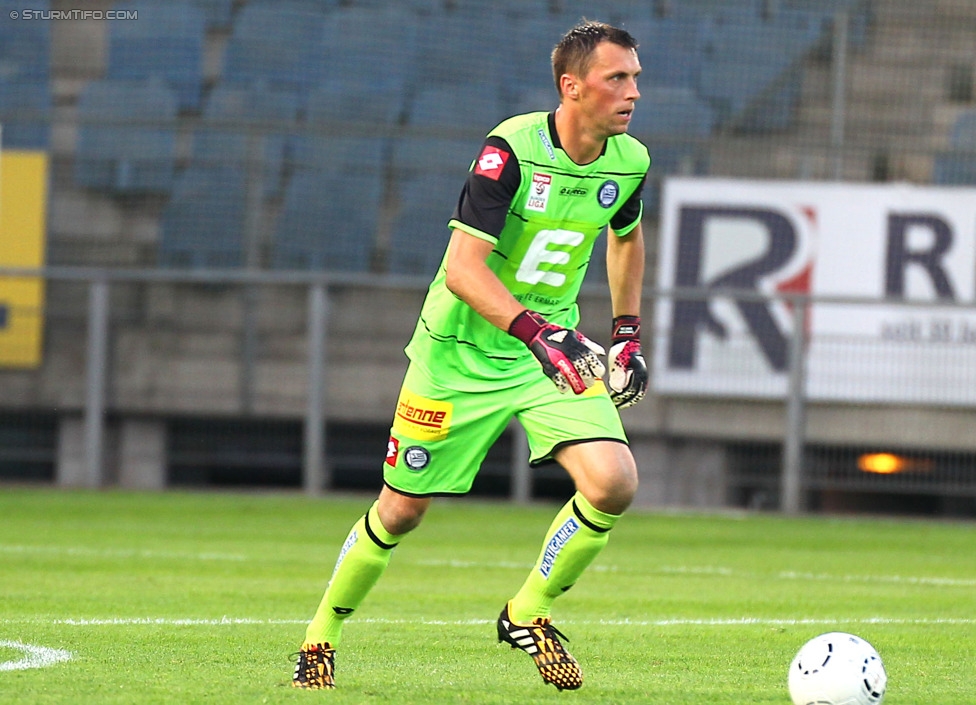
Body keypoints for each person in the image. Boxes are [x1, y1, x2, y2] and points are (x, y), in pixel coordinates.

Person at [293, 19, 650, 692]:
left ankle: (527, 613)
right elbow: (463, 268)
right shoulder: (509, 150)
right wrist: (538, 334)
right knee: (401, 509)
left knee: (613, 481)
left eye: (635, 77)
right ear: (572, 88)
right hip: (461, 352)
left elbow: (626, 237)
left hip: (549, 350)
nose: (633, 91)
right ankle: (321, 636)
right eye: (617, 78)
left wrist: (626, 329)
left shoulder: (630, 160)